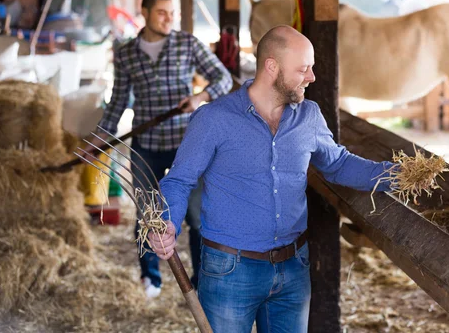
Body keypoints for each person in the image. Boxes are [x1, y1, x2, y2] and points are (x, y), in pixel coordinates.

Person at [149, 25, 398, 332]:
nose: (312, 77)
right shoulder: (214, 118)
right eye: (304, 69)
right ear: (271, 67)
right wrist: (168, 220)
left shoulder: (309, 116)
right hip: (230, 270)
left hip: (294, 267)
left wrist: (397, 176)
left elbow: (338, 164)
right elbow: (178, 180)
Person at [85, 0, 233, 298]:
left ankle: (201, 282)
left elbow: (223, 79)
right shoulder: (126, 53)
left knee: (196, 216)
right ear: (146, 12)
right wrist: (100, 137)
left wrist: (200, 97)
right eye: (162, 13)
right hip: (146, 146)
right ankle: (150, 279)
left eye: (172, 13)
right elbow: (118, 101)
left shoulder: (187, 43)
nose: (169, 18)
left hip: (186, 146)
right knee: (147, 215)